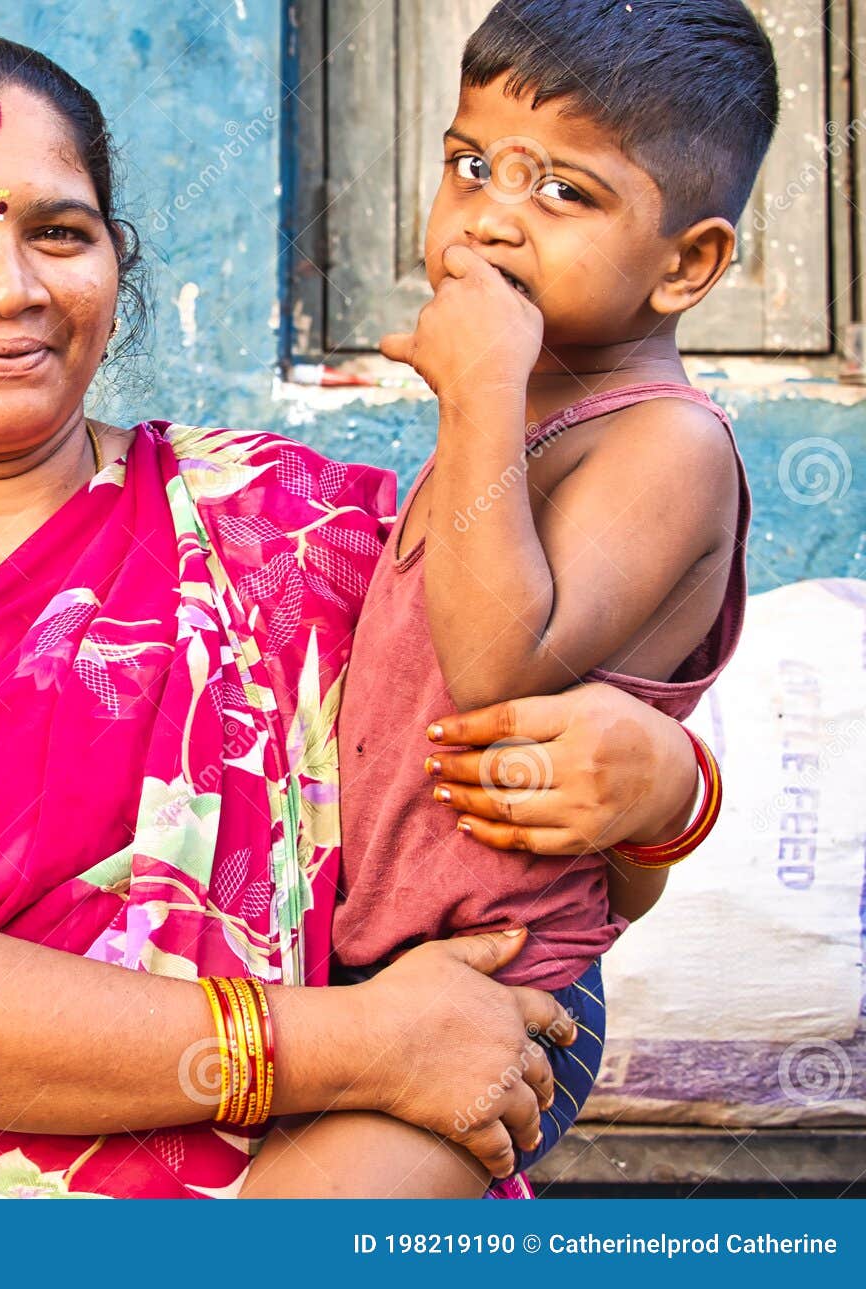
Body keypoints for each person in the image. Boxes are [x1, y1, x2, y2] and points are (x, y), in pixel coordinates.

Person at [0, 31, 716, 1200]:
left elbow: (509, 865)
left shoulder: (289, 523)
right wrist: (370, 1044)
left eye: (58, 231)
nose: (10, 285)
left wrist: (666, 797)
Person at [243, 0, 766, 1198]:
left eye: (564, 194)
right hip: (369, 982)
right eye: (470, 165)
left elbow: (494, 664)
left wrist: (476, 391)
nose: (488, 216)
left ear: (685, 262)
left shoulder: (662, 445)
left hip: (504, 997)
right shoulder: (519, 424)